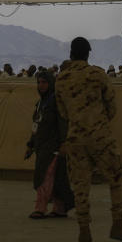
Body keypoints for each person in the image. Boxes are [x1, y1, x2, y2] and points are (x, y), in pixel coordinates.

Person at [56, 37, 122, 242]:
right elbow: (112, 107)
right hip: (100, 137)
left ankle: (84, 230)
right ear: (88, 53)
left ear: (71, 53)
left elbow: (63, 113)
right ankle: (117, 224)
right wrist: (98, 121)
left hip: (75, 137)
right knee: (117, 175)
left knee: (80, 185)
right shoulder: (98, 75)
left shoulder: (61, 79)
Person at [26, 70, 74, 218]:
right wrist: (30, 144)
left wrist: (64, 143)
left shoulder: (55, 101)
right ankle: (59, 208)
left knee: (45, 177)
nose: (41, 85)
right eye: (39, 82)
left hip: (53, 146)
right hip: (42, 146)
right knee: (55, 177)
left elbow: (62, 124)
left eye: (44, 82)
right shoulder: (41, 103)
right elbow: (37, 125)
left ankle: (40, 207)